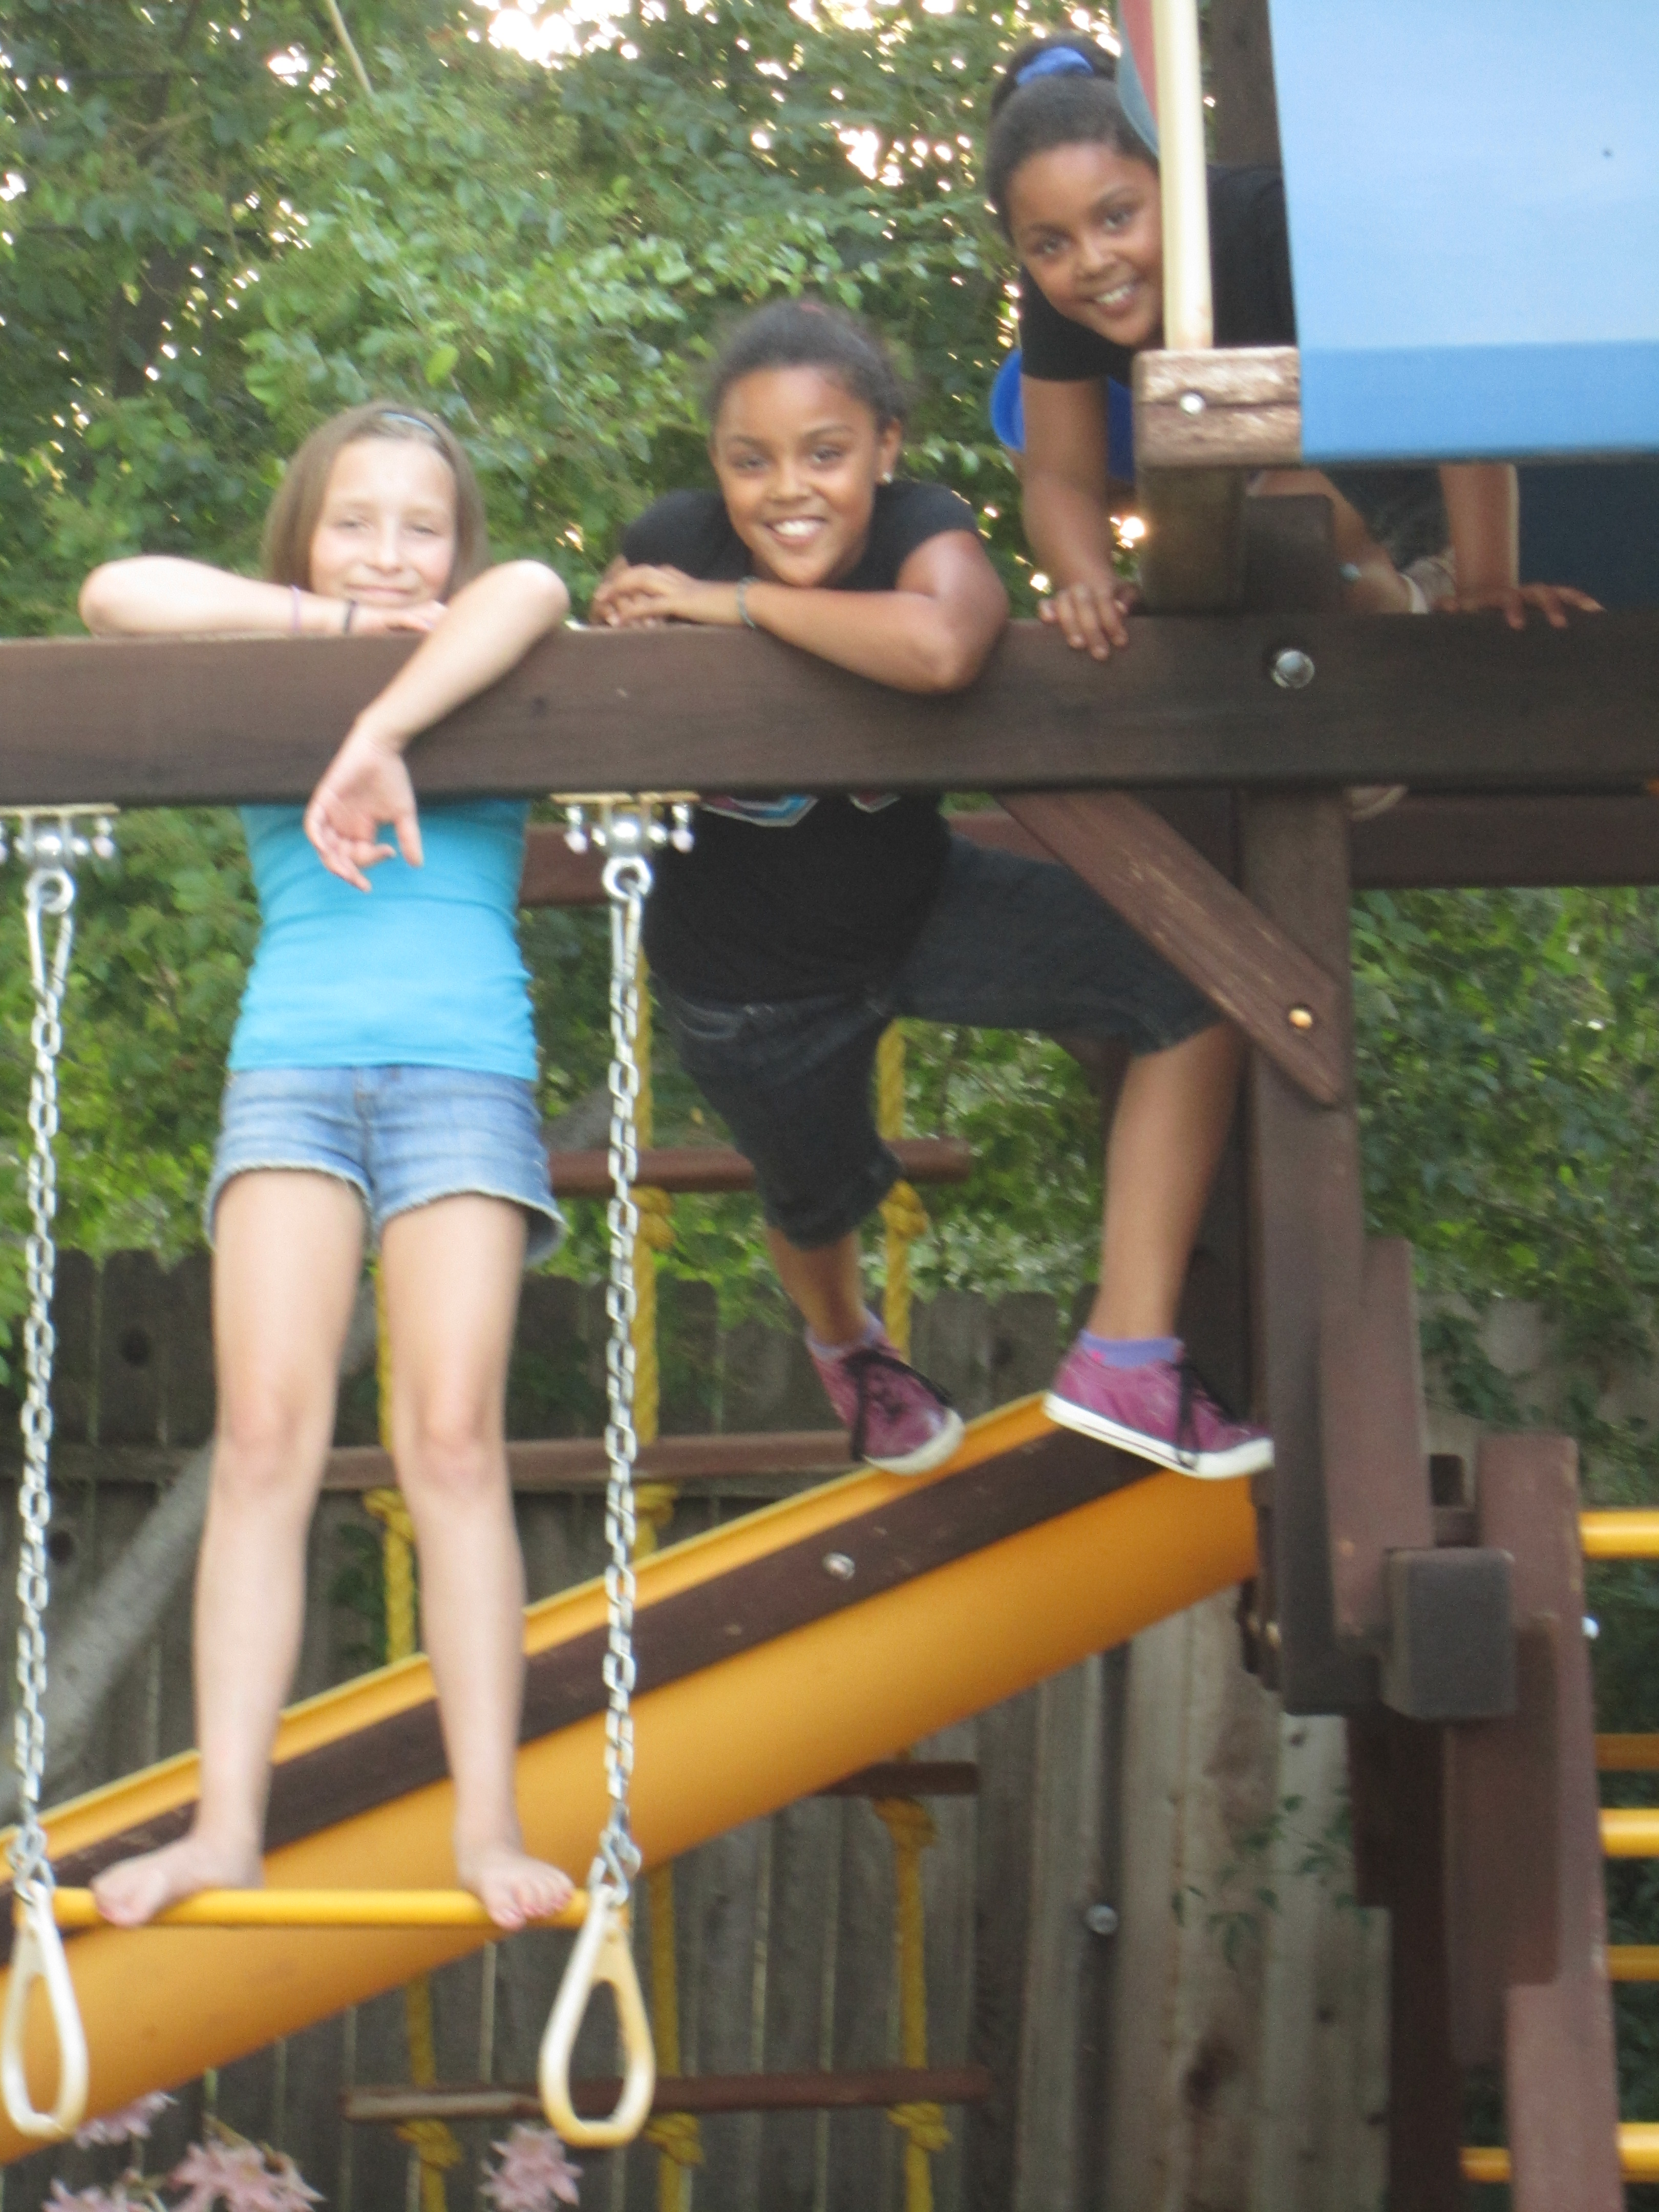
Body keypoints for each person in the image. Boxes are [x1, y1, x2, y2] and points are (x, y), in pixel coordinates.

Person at [593, 299, 1270, 1482]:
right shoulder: (671, 540)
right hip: (745, 984)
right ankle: (849, 1348)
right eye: (750, 462)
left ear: (885, 448)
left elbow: (949, 643)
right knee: (814, 1196)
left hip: (918, 908)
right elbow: (611, 689)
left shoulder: (917, 525)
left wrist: (737, 607)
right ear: (715, 466)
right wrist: (650, 619)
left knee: (1197, 981)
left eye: (825, 453)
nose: (787, 490)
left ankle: (1125, 1352)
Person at [77, 402, 575, 1931]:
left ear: (455, 543)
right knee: (265, 1437)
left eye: (422, 525)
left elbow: (539, 584)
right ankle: (226, 1827)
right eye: (355, 520)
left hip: (462, 1071)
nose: (390, 550)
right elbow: (111, 592)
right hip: (291, 1070)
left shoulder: (491, 646)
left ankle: (485, 1827)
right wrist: (333, 632)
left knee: (452, 1441)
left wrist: (381, 731)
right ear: (303, 540)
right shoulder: (260, 650)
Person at [988, 35, 1602, 662]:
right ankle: (1368, 605)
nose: (1091, 260)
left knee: (1263, 536)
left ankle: (1413, 596)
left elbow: (1450, 380)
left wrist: (1487, 585)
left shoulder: (1271, 229)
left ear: (1176, 185)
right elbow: (1061, 476)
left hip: (1441, 487)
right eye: (1049, 245)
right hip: (1297, 496)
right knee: (1199, 565)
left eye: (1117, 217)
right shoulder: (1060, 298)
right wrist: (1090, 586)